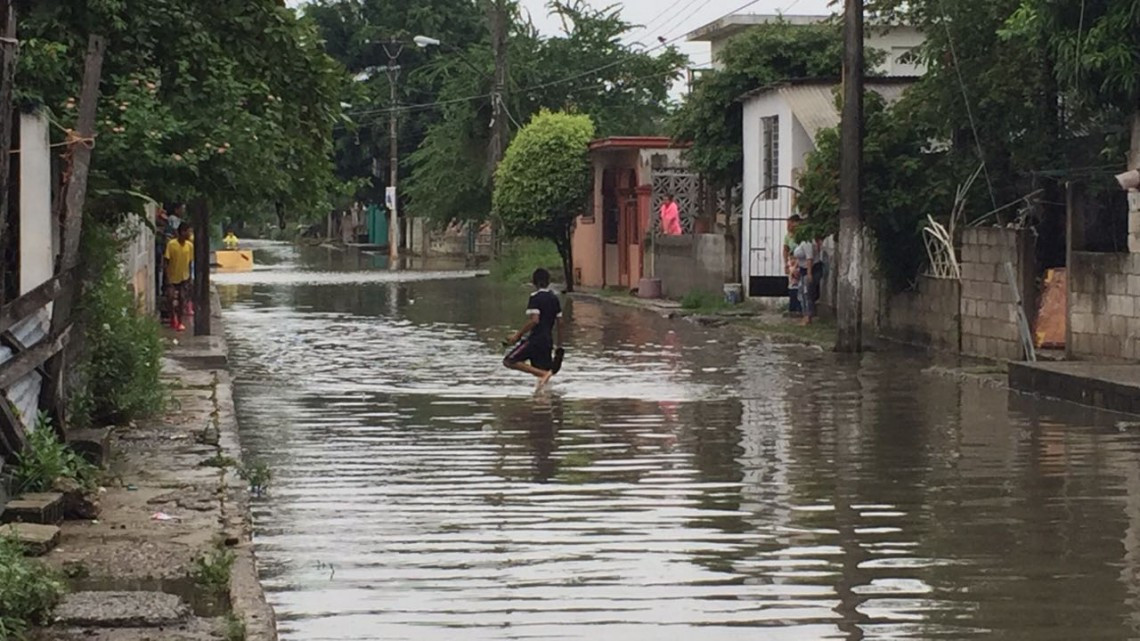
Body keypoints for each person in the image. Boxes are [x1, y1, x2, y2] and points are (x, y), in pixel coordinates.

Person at [503, 268, 563, 391]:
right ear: (548, 282)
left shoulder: (535, 298)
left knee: (509, 361)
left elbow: (534, 320)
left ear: (534, 282)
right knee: (542, 382)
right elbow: (560, 324)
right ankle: (543, 399)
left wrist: (517, 335)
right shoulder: (554, 298)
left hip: (535, 340)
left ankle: (543, 374)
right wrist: (559, 345)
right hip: (548, 341)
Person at [164, 222, 194, 332]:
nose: (189, 234)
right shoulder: (171, 244)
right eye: (188, 232)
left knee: (182, 298)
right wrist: (167, 278)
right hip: (172, 277)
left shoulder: (189, 246)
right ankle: (173, 317)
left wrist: (190, 277)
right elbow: (166, 262)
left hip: (184, 277)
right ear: (182, 232)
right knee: (170, 297)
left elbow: (190, 262)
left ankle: (180, 321)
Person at [794, 234, 816, 326]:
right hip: (802, 270)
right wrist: (796, 268)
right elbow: (799, 258)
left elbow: (809, 258)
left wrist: (809, 273)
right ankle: (805, 315)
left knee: (807, 294)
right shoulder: (800, 242)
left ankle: (808, 316)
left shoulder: (807, 243)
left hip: (807, 271)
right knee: (801, 293)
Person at [784, 215, 802, 314]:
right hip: (792, 261)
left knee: (799, 285)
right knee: (792, 284)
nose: (788, 227)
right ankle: (793, 306)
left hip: (800, 262)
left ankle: (799, 307)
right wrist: (786, 263)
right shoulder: (788, 236)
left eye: (790, 224)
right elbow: (785, 249)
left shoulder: (801, 236)